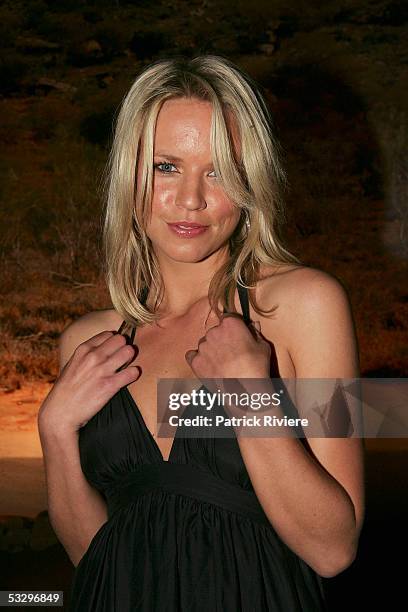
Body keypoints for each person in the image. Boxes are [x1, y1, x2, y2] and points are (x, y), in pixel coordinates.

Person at [37, 55, 365, 611]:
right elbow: (94, 556)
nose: (192, 199)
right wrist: (54, 429)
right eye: (167, 166)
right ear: (130, 173)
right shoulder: (88, 343)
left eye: (220, 171)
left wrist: (251, 400)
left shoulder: (303, 305)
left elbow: (333, 549)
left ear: (250, 181)